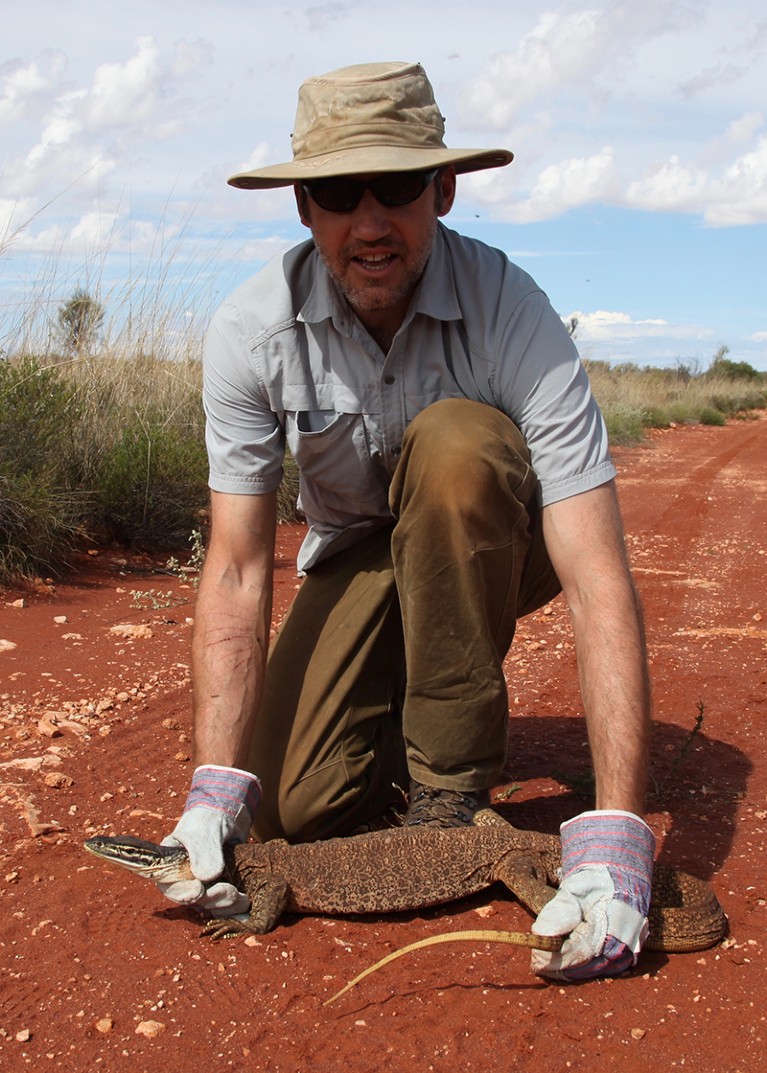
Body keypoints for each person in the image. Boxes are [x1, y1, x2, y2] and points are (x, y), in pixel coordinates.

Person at [158, 61, 655, 982]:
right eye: (341, 192)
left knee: (457, 446)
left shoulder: (511, 310)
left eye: (398, 187)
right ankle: (396, 719)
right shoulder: (250, 332)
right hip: (358, 558)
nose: (371, 221)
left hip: (501, 538)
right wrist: (214, 788)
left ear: (445, 189)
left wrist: (618, 827)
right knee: (292, 810)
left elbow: (594, 571)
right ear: (304, 205)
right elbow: (233, 569)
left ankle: (450, 788)